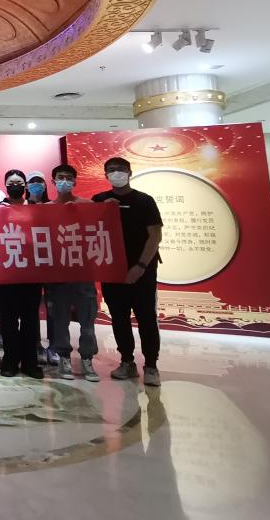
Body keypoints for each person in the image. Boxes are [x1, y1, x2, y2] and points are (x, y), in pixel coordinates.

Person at [94, 157, 164, 387]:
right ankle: (127, 362)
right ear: (106, 175)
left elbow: (155, 235)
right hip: (112, 270)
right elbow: (87, 227)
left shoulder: (145, 201)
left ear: (130, 172)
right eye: (111, 170)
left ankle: (151, 365)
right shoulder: (99, 200)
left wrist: (140, 266)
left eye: (121, 169)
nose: (117, 173)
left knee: (146, 318)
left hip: (142, 270)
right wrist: (103, 210)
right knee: (119, 318)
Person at [47, 164, 99, 382]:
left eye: (69, 177)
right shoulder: (46, 209)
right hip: (58, 275)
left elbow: (99, 232)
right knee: (60, 319)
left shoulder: (88, 206)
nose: (64, 181)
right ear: (53, 181)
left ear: (75, 181)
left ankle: (87, 358)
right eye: (60, 177)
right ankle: (64, 357)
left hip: (83, 273)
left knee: (87, 320)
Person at [0, 169, 43, 379]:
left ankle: (30, 362)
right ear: (6, 186)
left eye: (19, 182)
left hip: (31, 273)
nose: (15, 185)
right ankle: (10, 361)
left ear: (25, 185)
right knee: (7, 321)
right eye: (11, 182)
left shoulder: (37, 208)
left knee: (30, 320)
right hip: (5, 274)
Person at [26, 171, 58, 367]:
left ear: (46, 185)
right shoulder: (21, 206)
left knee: (53, 306)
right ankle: (36, 343)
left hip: (50, 261)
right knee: (32, 306)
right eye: (32, 182)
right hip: (29, 263)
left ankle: (54, 346)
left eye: (40, 182)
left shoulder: (53, 207)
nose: (36, 185)